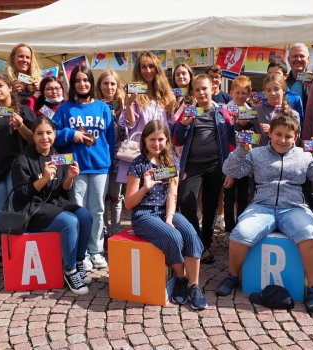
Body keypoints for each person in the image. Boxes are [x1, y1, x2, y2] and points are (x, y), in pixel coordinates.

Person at [215, 114, 313, 313]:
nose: (282, 140)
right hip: (262, 206)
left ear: (295, 137)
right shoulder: (257, 153)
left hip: (294, 207)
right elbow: (230, 170)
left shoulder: (305, 155)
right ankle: (233, 275)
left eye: (288, 136)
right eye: (278, 134)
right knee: (240, 233)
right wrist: (241, 151)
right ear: (269, 133)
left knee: (311, 237)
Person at [124, 120, 208, 310]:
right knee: (173, 237)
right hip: (144, 214)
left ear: (167, 140)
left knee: (190, 233)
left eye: (161, 139)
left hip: (165, 210)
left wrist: (170, 218)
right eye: (152, 139)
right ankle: (180, 277)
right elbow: (129, 203)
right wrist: (146, 187)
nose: (157, 144)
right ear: (144, 140)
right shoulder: (138, 164)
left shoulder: (170, 160)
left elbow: (172, 193)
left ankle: (194, 287)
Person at [11, 117, 93, 295]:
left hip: (54, 204)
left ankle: (79, 262)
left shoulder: (58, 156)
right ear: (33, 136)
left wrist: (70, 178)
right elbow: (22, 194)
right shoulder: (22, 160)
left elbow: (62, 192)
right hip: (32, 209)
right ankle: (69, 270)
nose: (44, 137)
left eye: (48, 133)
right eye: (39, 133)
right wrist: (44, 179)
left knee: (85, 216)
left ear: (55, 135)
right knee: (69, 221)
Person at [52, 65, 115, 271]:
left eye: (86, 80)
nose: (82, 84)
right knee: (80, 210)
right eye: (78, 80)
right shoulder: (64, 108)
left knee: (97, 210)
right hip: (75, 167)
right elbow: (53, 136)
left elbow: (110, 139)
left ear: (91, 82)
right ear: (73, 84)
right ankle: (82, 254)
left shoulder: (103, 108)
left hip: (99, 166)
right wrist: (72, 135)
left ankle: (96, 251)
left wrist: (109, 163)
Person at [172, 74, 235, 264]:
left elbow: (231, 141)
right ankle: (197, 241)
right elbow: (176, 139)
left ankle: (204, 244)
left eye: (204, 88)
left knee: (210, 206)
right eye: (197, 89)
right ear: (193, 92)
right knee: (186, 202)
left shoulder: (221, 112)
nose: (201, 92)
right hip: (192, 165)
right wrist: (184, 124)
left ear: (212, 89)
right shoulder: (188, 111)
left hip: (215, 165)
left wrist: (229, 169)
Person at [118, 52, 177, 217]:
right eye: (144, 67)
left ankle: (166, 220)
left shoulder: (166, 94)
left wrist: (176, 108)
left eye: (151, 66)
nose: (148, 70)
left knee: (164, 188)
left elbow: (172, 124)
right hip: (143, 154)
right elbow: (129, 124)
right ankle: (143, 223)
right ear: (138, 70)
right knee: (142, 191)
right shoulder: (135, 94)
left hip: (163, 152)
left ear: (157, 69)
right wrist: (129, 104)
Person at [0, 72, 36, 230]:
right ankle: (1, 251)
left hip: (16, 168)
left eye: (0, 85)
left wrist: (20, 125)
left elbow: (33, 139)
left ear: (10, 87)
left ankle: (17, 251)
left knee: (16, 210)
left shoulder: (23, 111)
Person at [222, 76, 253, 243]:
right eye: (237, 92)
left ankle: (240, 227)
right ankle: (229, 229)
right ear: (231, 92)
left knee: (243, 196)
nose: (240, 96)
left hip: (246, 161)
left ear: (249, 93)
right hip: (229, 160)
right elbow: (225, 139)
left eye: (244, 93)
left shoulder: (251, 112)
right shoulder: (224, 111)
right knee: (229, 197)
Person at [94, 70, 126, 235]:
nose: (109, 87)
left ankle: (116, 231)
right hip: (100, 157)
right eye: (105, 83)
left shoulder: (123, 105)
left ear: (117, 86)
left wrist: (120, 114)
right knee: (101, 197)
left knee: (116, 196)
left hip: (118, 157)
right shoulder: (94, 105)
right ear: (99, 85)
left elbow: (126, 132)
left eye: (113, 83)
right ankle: (103, 231)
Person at [240, 72, 299, 147]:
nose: (272, 93)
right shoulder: (255, 109)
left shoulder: (294, 114)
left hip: (283, 156)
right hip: (259, 156)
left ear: (283, 90)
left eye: (276, 89)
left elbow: (295, 141)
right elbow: (238, 130)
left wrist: (273, 131)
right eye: (268, 90)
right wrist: (240, 123)